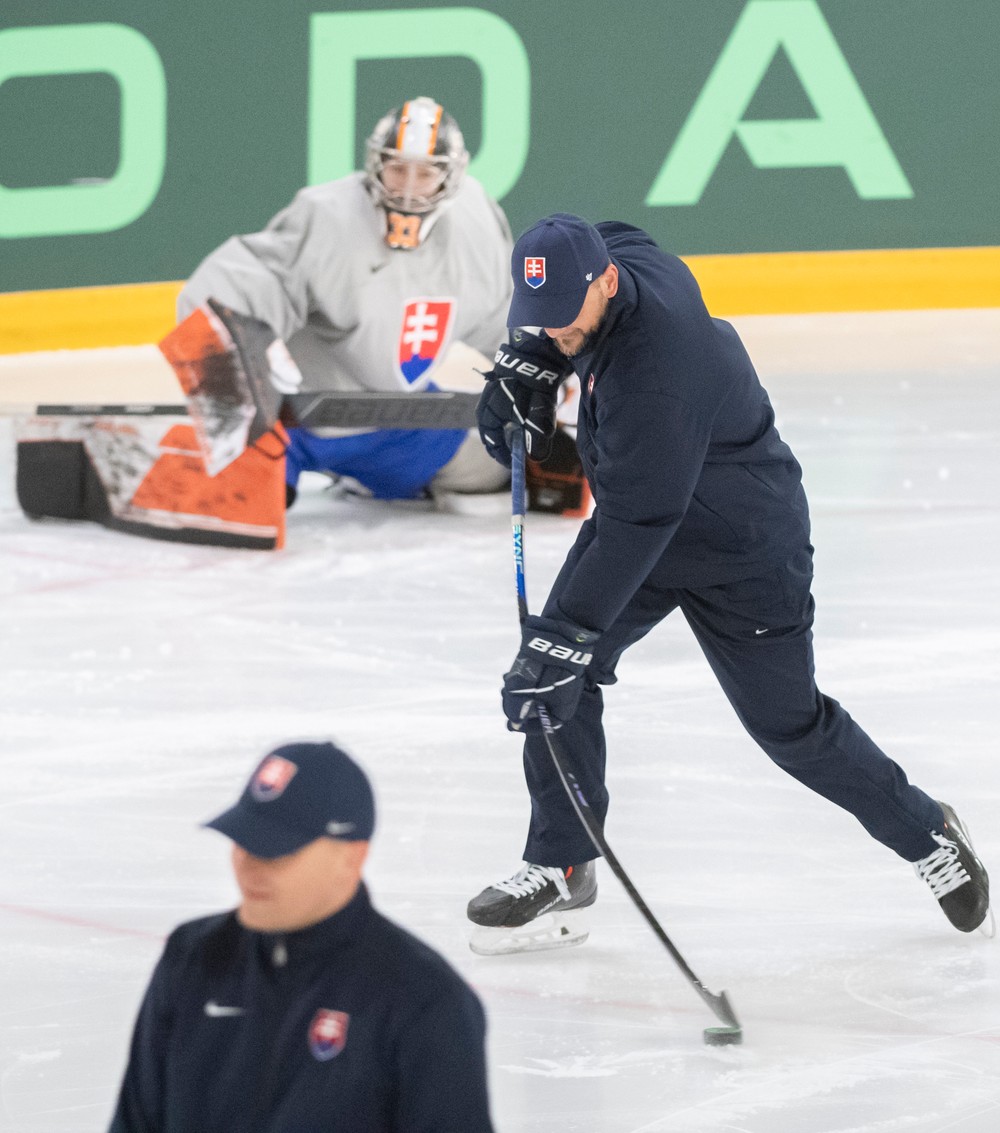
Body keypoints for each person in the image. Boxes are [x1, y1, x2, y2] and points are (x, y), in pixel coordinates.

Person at [467, 212, 991, 955]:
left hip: (741, 545)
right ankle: (563, 860)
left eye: (561, 320)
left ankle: (927, 832)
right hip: (640, 523)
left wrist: (564, 639)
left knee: (790, 728)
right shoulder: (614, 266)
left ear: (607, 284)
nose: (552, 330)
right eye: (536, 318)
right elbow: (614, 229)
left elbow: (641, 520)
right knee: (563, 685)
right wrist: (532, 362)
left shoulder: (661, 372)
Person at [108, 741, 495, 1132]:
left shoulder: (421, 998)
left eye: (275, 852)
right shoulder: (194, 956)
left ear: (352, 856)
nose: (250, 868)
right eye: (243, 844)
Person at [178, 96, 512, 508]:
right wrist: (244, 352)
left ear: (452, 176)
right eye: (397, 169)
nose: (407, 189)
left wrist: (552, 374)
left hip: (404, 423)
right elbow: (235, 285)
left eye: (424, 173)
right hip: (299, 422)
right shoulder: (328, 215)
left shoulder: (475, 225)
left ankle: (377, 478)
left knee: (505, 469)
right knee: (248, 498)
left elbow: (507, 320)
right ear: (375, 164)